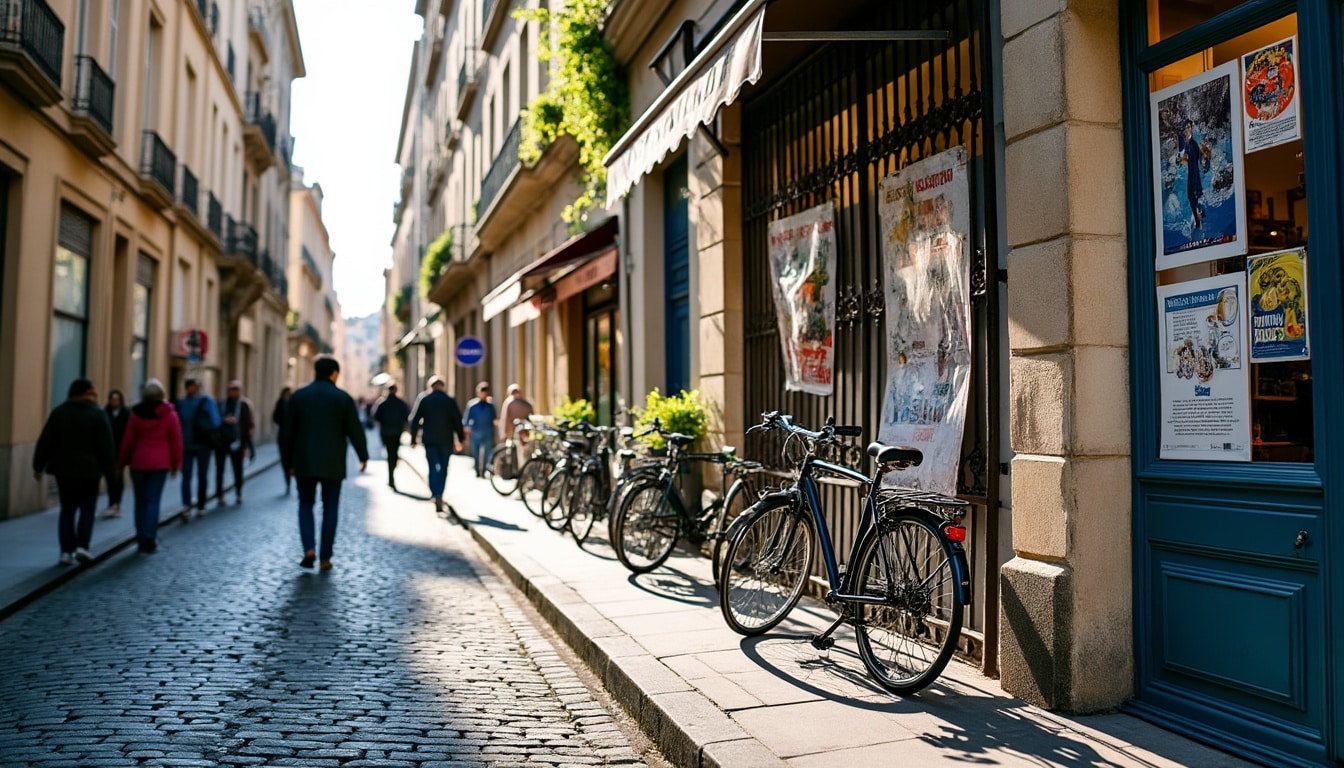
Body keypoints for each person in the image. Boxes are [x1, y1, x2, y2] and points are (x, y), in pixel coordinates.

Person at [279, 355, 368, 571]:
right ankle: (325, 557)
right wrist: (363, 456)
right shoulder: (343, 398)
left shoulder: (299, 397)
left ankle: (309, 548)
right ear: (334, 374)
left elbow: (286, 433)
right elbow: (355, 430)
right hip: (333, 463)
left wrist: (287, 462)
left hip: (304, 462)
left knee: (305, 504)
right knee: (330, 508)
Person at [33, 378, 116, 565]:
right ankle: (82, 546)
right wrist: (111, 473)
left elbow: (45, 441)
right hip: (90, 471)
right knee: (87, 508)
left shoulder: (59, 413)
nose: (96, 395)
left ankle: (65, 551)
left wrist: (38, 466)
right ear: (85, 393)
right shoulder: (97, 414)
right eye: (93, 392)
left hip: (64, 470)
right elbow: (106, 447)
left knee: (67, 509)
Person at [119, 379, 183, 554]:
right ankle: (150, 537)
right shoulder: (169, 415)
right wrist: (176, 464)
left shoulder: (136, 414)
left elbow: (127, 440)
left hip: (138, 463)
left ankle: (141, 537)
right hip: (159, 464)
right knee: (153, 501)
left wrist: (121, 462)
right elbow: (176, 441)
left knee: (140, 502)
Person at [408, 375, 464, 514]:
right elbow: (457, 421)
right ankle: (440, 493)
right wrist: (460, 439)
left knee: (432, 467)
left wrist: (413, 439)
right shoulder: (449, 400)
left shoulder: (425, 399)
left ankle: (435, 493)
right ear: (443, 387)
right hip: (446, 440)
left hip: (430, 440)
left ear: (430, 387)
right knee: (444, 468)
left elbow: (414, 420)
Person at [176, 377, 220, 518]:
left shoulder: (206, 401)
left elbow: (215, 422)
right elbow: (216, 421)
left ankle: (200, 504)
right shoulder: (183, 403)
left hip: (201, 444)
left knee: (200, 476)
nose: (194, 388)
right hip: (189, 445)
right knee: (188, 476)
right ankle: (187, 505)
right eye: (192, 386)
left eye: (195, 386)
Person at [213, 380, 254, 506]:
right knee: (220, 469)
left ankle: (238, 493)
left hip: (237, 442)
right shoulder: (222, 404)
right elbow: (215, 420)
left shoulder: (244, 405)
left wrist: (247, 446)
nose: (233, 392)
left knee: (238, 469)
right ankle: (219, 495)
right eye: (231, 389)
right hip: (222, 442)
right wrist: (224, 420)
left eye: (236, 390)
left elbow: (248, 425)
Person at [371, 383, 410, 490]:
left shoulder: (382, 403)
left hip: (386, 432)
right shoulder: (401, 403)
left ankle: (391, 476)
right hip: (396, 432)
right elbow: (406, 417)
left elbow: (376, 417)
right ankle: (392, 472)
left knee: (389, 454)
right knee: (394, 453)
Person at [103, 389, 130, 518]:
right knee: (109, 477)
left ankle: (117, 503)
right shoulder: (105, 413)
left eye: (117, 400)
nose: (114, 402)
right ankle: (111, 502)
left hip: (121, 449)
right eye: (112, 399)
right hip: (107, 450)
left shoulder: (126, 413)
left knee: (118, 477)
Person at [464, 382, 497, 478]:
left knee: (487, 452)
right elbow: (466, 419)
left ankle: (484, 470)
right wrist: (467, 428)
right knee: (476, 453)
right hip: (475, 432)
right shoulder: (472, 405)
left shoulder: (490, 406)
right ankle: (477, 470)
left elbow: (494, 419)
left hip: (487, 432)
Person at [272, 387, 292, 494]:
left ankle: (291, 475)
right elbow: (275, 417)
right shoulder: (280, 403)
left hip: (292, 436)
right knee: (285, 460)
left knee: (291, 459)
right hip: (283, 435)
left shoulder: (293, 403)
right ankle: (287, 480)